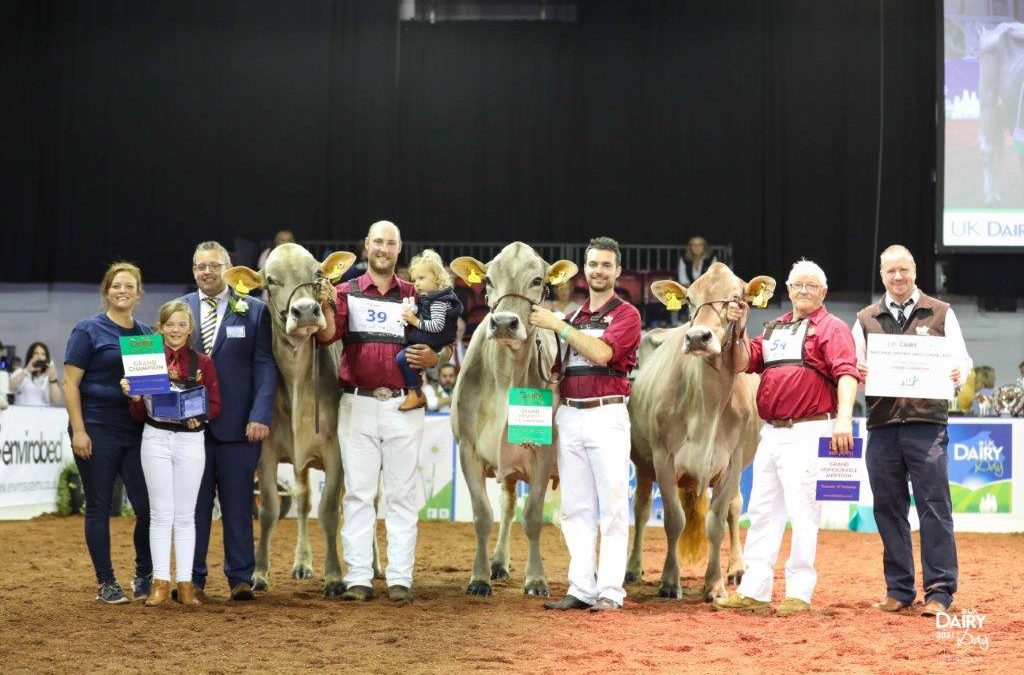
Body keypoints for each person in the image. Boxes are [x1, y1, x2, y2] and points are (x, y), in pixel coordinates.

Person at [714, 259, 859, 617]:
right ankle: (755, 591)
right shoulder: (775, 328)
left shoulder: (833, 328)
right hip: (772, 432)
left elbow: (846, 373)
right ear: (788, 291)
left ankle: (799, 593)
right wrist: (738, 325)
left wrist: (844, 420)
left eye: (811, 286)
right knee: (762, 511)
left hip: (811, 429)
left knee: (804, 512)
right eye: (798, 285)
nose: (804, 291)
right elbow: (743, 362)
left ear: (823, 292)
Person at [316, 220, 448, 603]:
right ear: (366, 246)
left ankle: (399, 578)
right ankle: (358, 576)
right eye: (377, 242)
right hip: (356, 401)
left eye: (390, 243)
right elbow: (326, 336)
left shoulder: (415, 293)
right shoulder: (345, 292)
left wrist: (435, 355)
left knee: (402, 494)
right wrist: (326, 302)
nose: (383, 249)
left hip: (403, 405)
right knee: (358, 493)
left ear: (399, 248)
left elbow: (443, 341)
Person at [852, 245, 971, 618]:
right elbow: (854, 366)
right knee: (888, 509)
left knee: (935, 508)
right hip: (883, 426)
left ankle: (939, 592)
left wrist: (958, 374)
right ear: (882, 275)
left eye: (904, 270)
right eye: (891, 272)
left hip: (927, 425)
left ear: (915, 271)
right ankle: (899, 589)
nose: (898, 277)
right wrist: (859, 373)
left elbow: (962, 359)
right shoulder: (865, 318)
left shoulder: (940, 313)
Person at [530, 237, 642, 613]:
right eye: (593, 264)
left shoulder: (626, 314)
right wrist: (536, 429)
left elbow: (602, 354)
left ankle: (610, 591)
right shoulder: (575, 317)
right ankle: (581, 587)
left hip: (606, 413)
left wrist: (557, 326)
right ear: (584, 268)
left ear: (617, 271)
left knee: (611, 506)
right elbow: (555, 379)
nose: (599, 271)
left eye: (606, 265)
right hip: (571, 413)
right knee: (573, 508)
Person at [181, 241, 276, 602]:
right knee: (194, 507)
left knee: (238, 506)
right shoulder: (180, 310)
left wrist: (260, 414)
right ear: (193, 271)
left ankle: (240, 578)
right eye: (200, 266)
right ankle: (193, 578)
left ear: (228, 267)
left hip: (239, 427)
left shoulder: (253, 310)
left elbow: (265, 365)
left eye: (214, 265)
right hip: (188, 426)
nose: (207, 272)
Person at [121, 300, 222, 606]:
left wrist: (200, 415)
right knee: (160, 514)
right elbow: (138, 414)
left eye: (181, 325)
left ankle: (187, 583)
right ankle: (160, 583)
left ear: (190, 328)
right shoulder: (146, 357)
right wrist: (134, 396)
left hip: (191, 440)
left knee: (186, 515)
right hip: (155, 437)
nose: (176, 330)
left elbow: (215, 404)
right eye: (170, 325)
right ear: (160, 328)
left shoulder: (203, 363)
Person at [63, 262, 153, 604]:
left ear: (138, 293)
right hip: (96, 429)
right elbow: (70, 383)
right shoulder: (87, 330)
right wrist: (79, 430)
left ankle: (143, 574)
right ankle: (106, 582)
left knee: (146, 508)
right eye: (117, 286)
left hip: (135, 430)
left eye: (129, 286)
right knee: (100, 507)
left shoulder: (145, 335)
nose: (123, 291)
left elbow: (151, 391)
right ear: (106, 291)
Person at [397, 249, 463, 411]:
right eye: (414, 280)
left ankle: (415, 393)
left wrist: (414, 320)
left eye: (421, 278)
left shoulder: (439, 301)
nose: (416, 283)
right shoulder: (431, 297)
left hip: (433, 343)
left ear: (437, 277)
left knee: (401, 358)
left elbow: (437, 325)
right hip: (430, 341)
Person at [9, 342, 63, 406]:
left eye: (43, 354)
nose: (39, 357)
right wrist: (26, 370)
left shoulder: (49, 376)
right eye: (36, 353)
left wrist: (52, 378)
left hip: (44, 414)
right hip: (22, 413)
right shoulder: (20, 371)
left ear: (46, 358)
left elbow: (56, 400)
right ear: (30, 356)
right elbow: (10, 387)